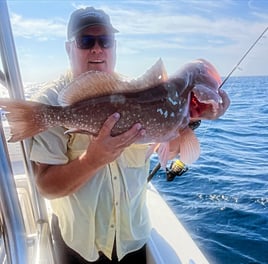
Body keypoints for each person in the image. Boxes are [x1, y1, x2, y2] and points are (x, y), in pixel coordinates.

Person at [30, 6, 230, 264]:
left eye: (105, 40)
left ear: (114, 46)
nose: (97, 48)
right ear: (69, 48)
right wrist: (92, 160)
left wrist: (192, 118)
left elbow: (168, 149)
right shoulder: (50, 103)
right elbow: (47, 186)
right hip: (80, 248)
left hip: (132, 240)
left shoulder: (145, 91)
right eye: (86, 41)